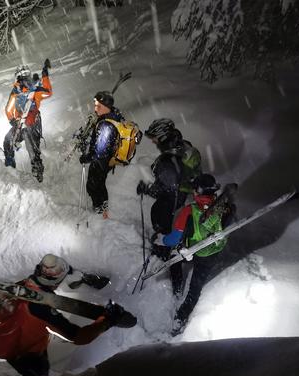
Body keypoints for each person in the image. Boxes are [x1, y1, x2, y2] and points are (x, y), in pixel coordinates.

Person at [0, 254, 136, 376]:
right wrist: (106, 322)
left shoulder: (22, 286)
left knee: (40, 365)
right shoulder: (41, 308)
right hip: (21, 350)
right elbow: (78, 337)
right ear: (57, 280)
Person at [151, 174, 232, 336]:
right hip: (212, 253)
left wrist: (161, 239)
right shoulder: (223, 207)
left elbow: (173, 239)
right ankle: (180, 319)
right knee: (195, 289)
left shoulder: (188, 211)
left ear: (196, 191)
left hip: (195, 251)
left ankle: (177, 291)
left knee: (175, 261)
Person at [136, 118, 202, 293]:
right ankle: (171, 249)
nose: (153, 141)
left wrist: (147, 189)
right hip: (190, 196)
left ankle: (174, 275)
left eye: (155, 137)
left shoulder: (170, 158)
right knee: (174, 226)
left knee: (169, 229)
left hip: (178, 200)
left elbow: (168, 189)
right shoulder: (185, 147)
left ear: (163, 136)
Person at [3, 60, 53, 182]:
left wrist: (45, 75)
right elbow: (9, 109)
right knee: (8, 140)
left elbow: (47, 93)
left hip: (32, 121)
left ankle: (36, 169)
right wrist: (13, 121)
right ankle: (11, 167)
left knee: (30, 144)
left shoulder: (34, 89)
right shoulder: (16, 91)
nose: (24, 80)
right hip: (21, 122)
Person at [79, 91, 125, 219]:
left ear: (106, 107)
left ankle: (99, 210)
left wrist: (86, 157)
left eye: (98, 106)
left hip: (102, 161)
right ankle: (103, 206)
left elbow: (100, 152)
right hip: (108, 160)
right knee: (100, 183)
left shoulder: (106, 125)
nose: (95, 108)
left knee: (93, 186)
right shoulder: (112, 116)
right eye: (95, 105)